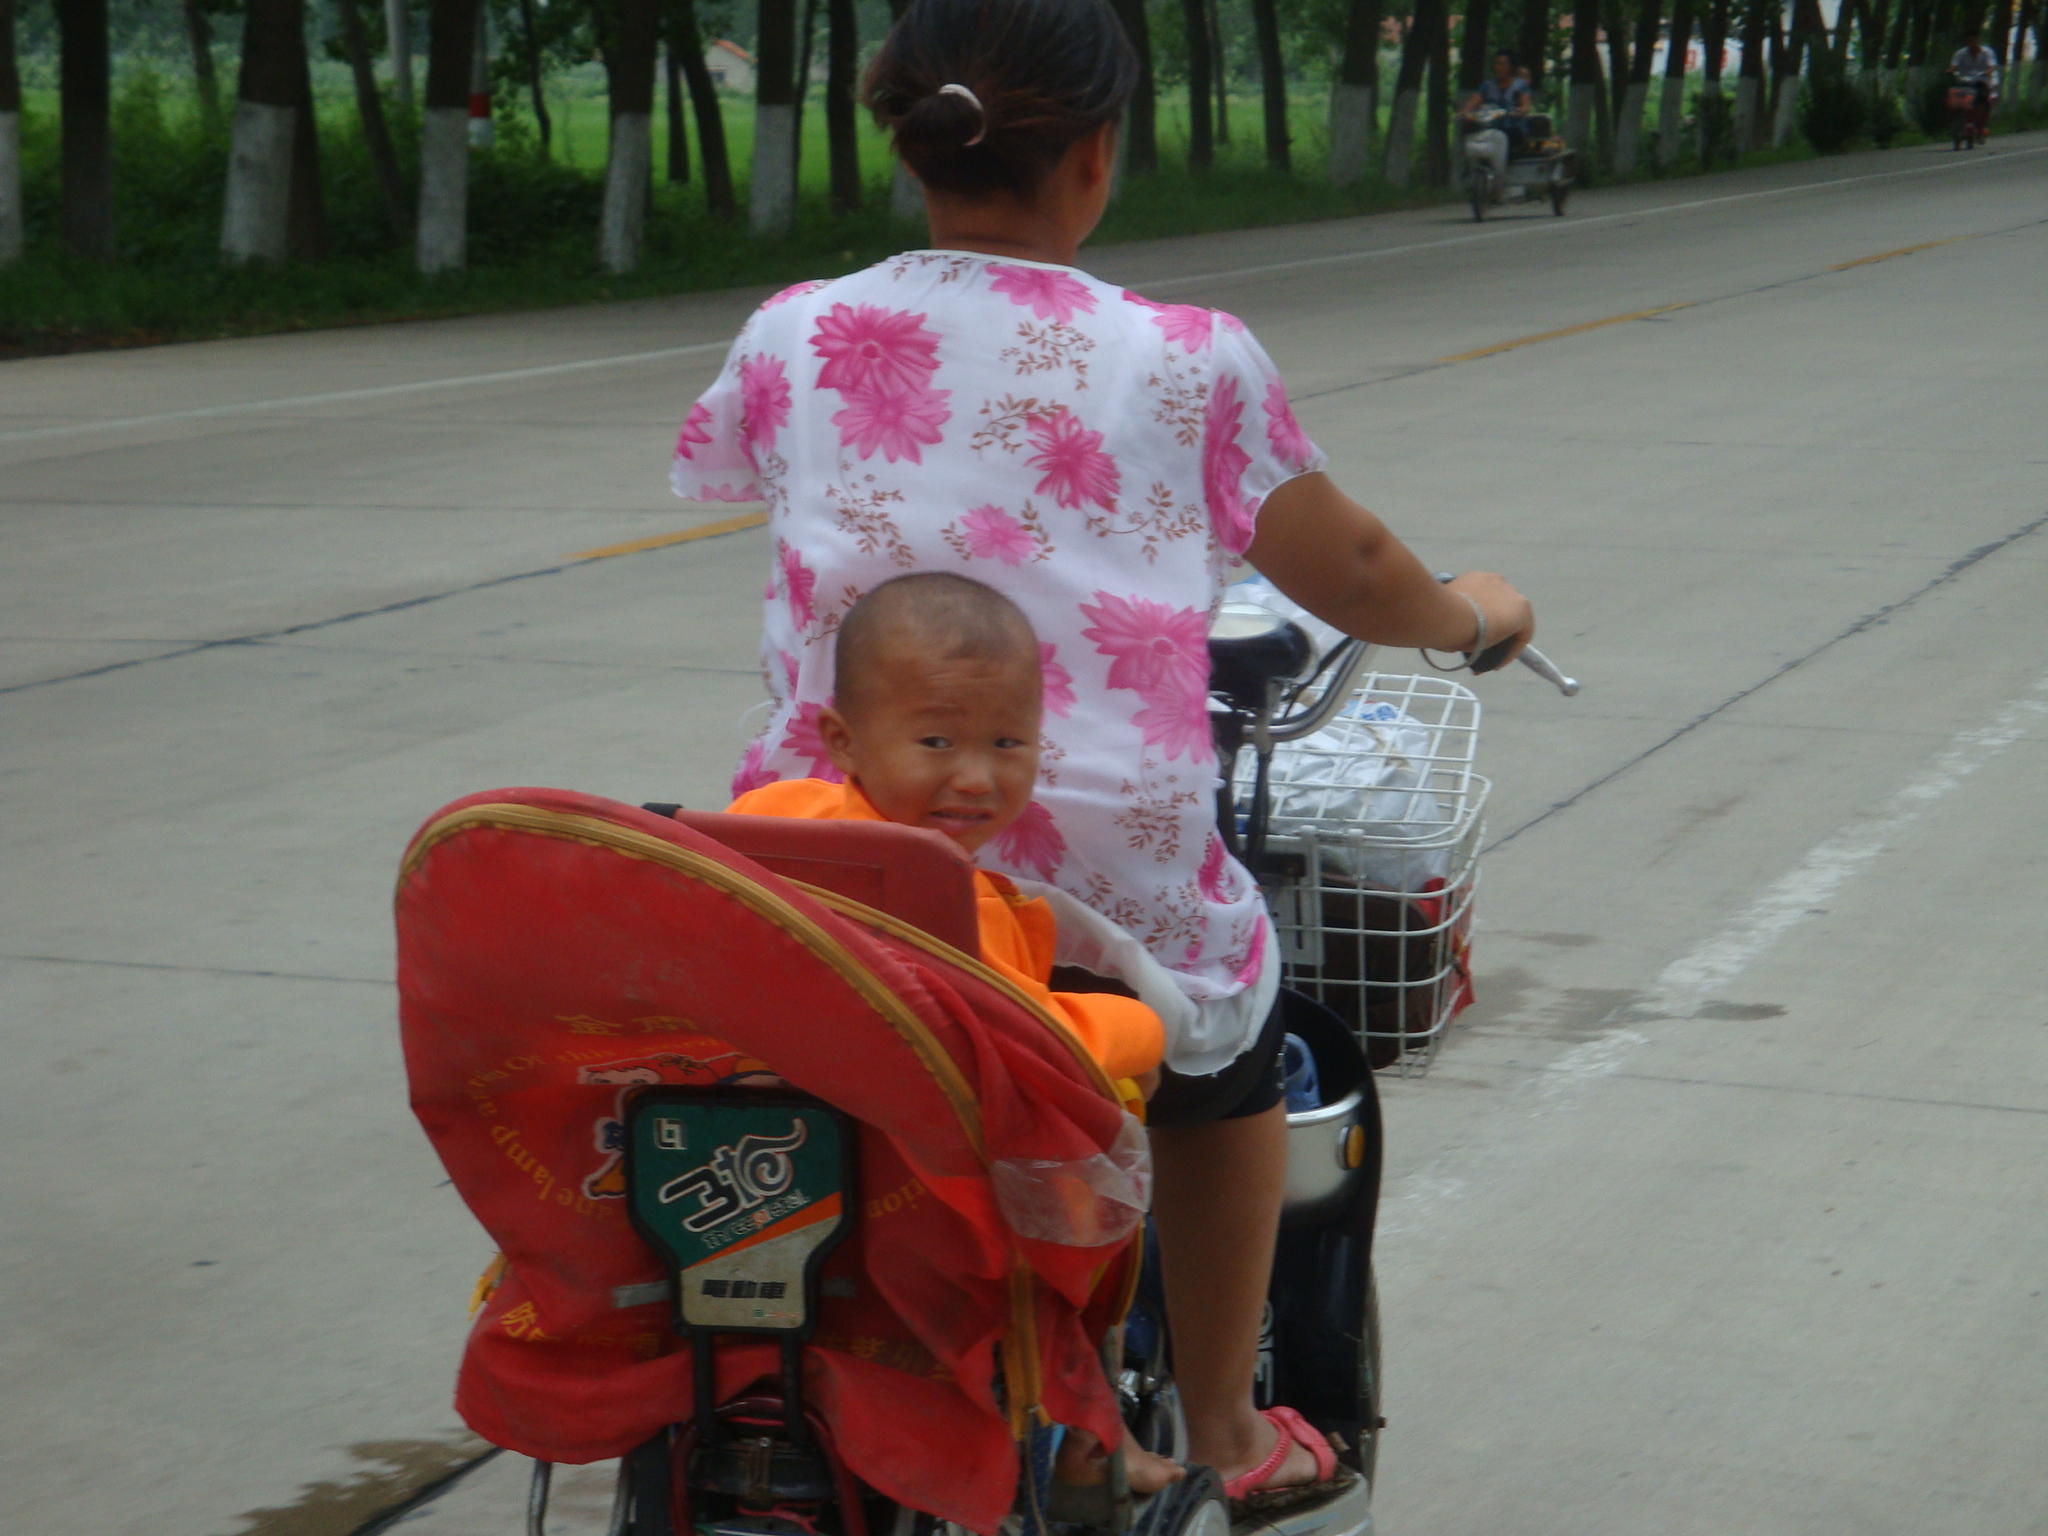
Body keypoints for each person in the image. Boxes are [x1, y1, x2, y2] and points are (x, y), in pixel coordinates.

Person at [671, 0, 1534, 1502]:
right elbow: (1352, 566)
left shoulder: (794, 329)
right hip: (1101, 874)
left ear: (913, 148)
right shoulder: (1185, 356)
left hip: (840, 850)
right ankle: (1227, 1432)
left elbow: (740, 470)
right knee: (1226, 1049)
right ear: (1094, 155)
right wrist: (1470, 616)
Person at [727, 573, 1167, 1087]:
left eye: (1006, 743)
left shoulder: (770, 813)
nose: (976, 780)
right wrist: (1145, 1030)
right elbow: (1039, 1041)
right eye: (937, 742)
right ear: (842, 741)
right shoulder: (947, 901)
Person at [1461, 49, 1534, 169]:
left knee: (1504, 138)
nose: (1498, 67)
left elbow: (1525, 105)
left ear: (1511, 67)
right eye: (1496, 64)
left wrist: (1521, 110)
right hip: (1491, 129)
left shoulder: (1520, 86)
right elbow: (1473, 103)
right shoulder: (1487, 86)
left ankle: (1501, 173)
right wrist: (1464, 113)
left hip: (1513, 130)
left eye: (1502, 64)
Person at [1949, 28, 2000, 131]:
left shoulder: (1987, 52)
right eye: (1968, 41)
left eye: (1973, 41)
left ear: (1978, 40)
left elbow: (1992, 66)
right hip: (1965, 81)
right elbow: (1953, 66)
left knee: (1984, 99)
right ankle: (1957, 122)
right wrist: (1950, 71)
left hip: (1983, 81)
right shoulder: (1960, 53)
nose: (1971, 44)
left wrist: (1987, 71)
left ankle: (1982, 124)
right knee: (1955, 98)